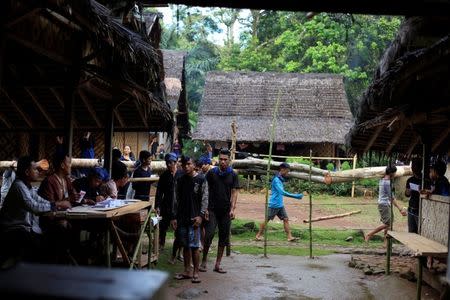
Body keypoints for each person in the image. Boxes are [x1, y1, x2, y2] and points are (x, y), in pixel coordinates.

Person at [0, 156, 70, 263]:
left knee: (58, 233)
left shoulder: (27, 186)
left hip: (24, 229)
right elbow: (33, 207)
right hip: (13, 230)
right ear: (27, 172)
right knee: (42, 247)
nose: (38, 172)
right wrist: (56, 205)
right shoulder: (19, 186)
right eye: (35, 169)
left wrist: (56, 204)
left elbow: (39, 200)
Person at [200, 148, 239, 274]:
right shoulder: (212, 173)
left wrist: (232, 209)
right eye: (220, 159)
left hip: (225, 211)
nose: (222, 162)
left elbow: (234, 192)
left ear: (229, 160)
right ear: (217, 160)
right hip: (212, 210)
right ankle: (204, 261)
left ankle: (217, 264)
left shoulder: (233, 174)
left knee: (223, 237)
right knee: (209, 235)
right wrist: (205, 208)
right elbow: (205, 190)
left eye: (225, 160)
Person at [171, 156, 208, 283]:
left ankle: (196, 272)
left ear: (194, 165)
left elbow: (205, 199)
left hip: (195, 218)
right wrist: (174, 217)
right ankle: (187, 271)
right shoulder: (180, 179)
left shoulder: (201, 179)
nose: (186, 167)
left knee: (194, 247)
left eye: (188, 164)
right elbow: (175, 200)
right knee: (185, 245)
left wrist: (201, 216)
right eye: (184, 165)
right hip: (182, 217)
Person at [255, 163, 305, 242]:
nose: (287, 173)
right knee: (266, 220)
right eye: (287, 171)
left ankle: (289, 237)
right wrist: (296, 196)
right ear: (282, 169)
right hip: (274, 205)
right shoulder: (276, 180)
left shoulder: (280, 179)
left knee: (285, 219)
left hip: (280, 204)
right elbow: (282, 192)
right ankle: (258, 235)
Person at [365, 166, 407, 244]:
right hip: (384, 204)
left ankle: (385, 242)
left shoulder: (382, 179)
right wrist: (400, 209)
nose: (395, 174)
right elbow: (391, 198)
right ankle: (369, 234)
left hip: (385, 204)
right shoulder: (387, 183)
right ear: (391, 173)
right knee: (387, 224)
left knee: (389, 224)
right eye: (394, 172)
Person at [155, 153, 179, 250]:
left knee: (178, 228)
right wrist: (157, 205)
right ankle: (161, 244)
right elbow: (159, 192)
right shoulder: (164, 175)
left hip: (178, 205)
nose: (169, 165)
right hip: (166, 204)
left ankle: (178, 249)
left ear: (175, 162)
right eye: (167, 163)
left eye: (171, 162)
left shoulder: (181, 174)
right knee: (163, 226)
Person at [404, 159, 423, 233]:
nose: (413, 168)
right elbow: (407, 195)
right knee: (411, 232)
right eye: (412, 166)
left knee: (421, 232)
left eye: (415, 166)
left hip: (420, 209)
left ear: (420, 167)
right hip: (411, 208)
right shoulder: (410, 180)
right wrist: (408, 191)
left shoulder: (424, 180)